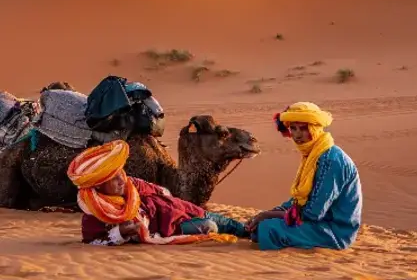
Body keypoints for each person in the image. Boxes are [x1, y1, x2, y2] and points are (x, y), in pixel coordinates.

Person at [67, 139, 248, 246]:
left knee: (237, 226)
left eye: (120, 174)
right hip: (173, 227)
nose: (122, 180)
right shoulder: (96, 214)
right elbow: (94, 242)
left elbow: (164, 192)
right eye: (114, 178)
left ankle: (257, 233)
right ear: (99, 185)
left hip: (184, 209)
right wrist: (122, 232)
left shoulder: (133, 185)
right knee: (210, 226)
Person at [246, 102, 362, 250]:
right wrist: (265, 214)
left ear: (315, 129)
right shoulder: (313, 155)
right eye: (293, 128)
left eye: (303, 128)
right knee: (258, 227)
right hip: (318, 225)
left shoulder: (331, 160)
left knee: (268, 229)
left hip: (334, 232)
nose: (297, 135)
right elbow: (298, 202)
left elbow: (313, 213)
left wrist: (269, 215)